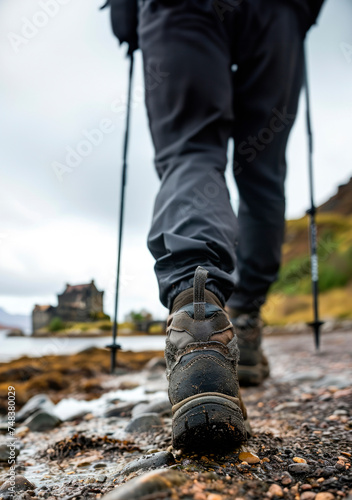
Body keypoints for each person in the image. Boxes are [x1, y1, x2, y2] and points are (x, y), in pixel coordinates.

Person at [105, 0, 325, 451]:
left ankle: (194, 315)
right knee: (263, 172)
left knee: (191, 149)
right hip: (276, 15)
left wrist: (126, 21)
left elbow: (124, 19)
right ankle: (241, 320)